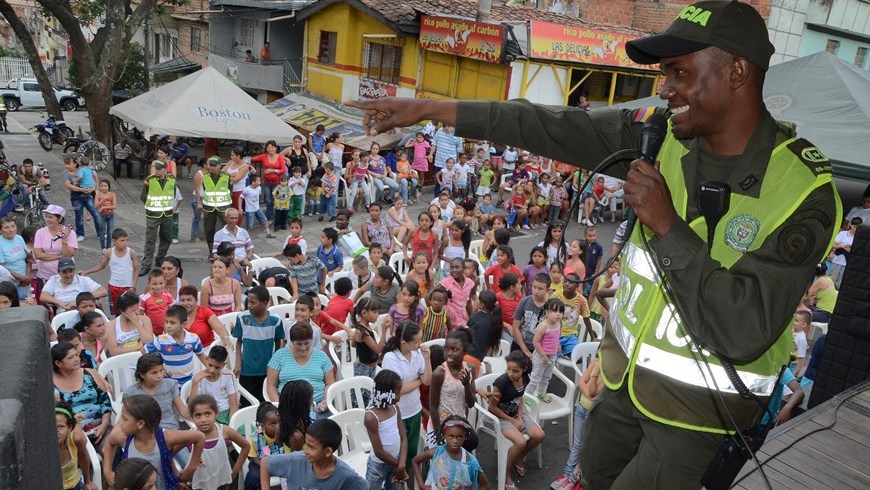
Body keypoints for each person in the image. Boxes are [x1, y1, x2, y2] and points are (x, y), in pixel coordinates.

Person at [346, 2, 842, 486]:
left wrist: (668, 225)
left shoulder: (803, 190)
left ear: (736, 71)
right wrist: (430, 107)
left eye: (679, 73)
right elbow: (547, 125)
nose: (664, 89)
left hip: (700, 415)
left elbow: (746, 328)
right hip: (619, 391)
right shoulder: (660, 135)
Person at [102, 395, 205, 489]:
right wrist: (107, 472)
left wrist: (190, 469)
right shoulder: (124, 438)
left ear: (140, 424)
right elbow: (110, 442)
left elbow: (199, 437)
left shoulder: (165, 437)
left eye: (124, 419)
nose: (120, 424)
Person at [381, 322, 431, 477]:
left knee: (411, 449)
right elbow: (399, 390)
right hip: (397, 412)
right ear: (404, 342)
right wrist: (418, 380)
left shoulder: (417, 354)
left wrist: (427, 359)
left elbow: (427, 380)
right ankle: (393, 477)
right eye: (416, 341)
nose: (420, 344)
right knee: (397, 450)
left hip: (414, 409)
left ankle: (406, 476)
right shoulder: (391, 358)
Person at [490, 351, 544, 490]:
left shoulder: (525, 378)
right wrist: (513, 421)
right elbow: (492, 408)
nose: (511, 373)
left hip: (516, 414)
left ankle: (518, 458)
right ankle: (504, 474)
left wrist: (520, 415)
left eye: (515, 371)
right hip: (500, 417)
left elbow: (519, 397)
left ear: (524, 369)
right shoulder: (501, 383)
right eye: (508, 369)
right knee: (520, 442)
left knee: (539, 435)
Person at [260, 419, 368, 489]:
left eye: (311, 447)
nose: (305, 450)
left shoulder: (346, 475)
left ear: (328, 452)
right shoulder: (296, 460)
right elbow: (265, 463)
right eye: (306, 444)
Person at [52, 342, 113, 450]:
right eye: (70, 358)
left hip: (100, 425)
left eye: (76, 355)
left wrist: (104, 425)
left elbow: (105, 401)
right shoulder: (51, 384)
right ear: (58, 363)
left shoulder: (89, 373)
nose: (76, 359)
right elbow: (59, 414)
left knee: (110, 448)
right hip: (74, 432)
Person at [266, 322, 335, 417]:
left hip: (317, 405)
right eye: (299, 344)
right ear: (291, 341)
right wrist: (279, 405)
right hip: (288, 406)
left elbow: (330, 384)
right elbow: (271, 385)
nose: (303, 348)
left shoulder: (322, 356)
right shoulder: (279, 356)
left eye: (307, 343)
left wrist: (326, 400)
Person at [232, 286, 284, 402]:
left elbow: (278, 341)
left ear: (264, 303)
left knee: (264, 402)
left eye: (253, 302)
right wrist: (238, 363)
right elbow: (239, 341)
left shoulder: (276, 320)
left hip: (267, 370)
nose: (249, 305)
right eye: (248, 302)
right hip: (247, 370)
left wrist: (276, 365)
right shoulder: (242, 318)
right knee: (247, 402)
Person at [188, 394, 249, 489]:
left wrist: (235, 471)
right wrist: (180, 474)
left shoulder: (224, 431)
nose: (203, 420)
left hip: (223, 480)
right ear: (192, 417)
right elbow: (169, 450)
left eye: (208, 414)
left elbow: (246, 446)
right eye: (198, 415)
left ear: (216, 414)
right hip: (201, 483)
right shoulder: (189, 436)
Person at [413, 416, 489, 490]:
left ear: (465, 437)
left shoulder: (470, 462)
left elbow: (485, 485)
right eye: (451, 436)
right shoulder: (437, 452)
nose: (455, 441)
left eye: (459, 437)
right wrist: (421, 485)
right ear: (444, 435)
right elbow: (415, 461)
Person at [364, 369, 409, 489]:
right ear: (385, 393)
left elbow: (403, 437)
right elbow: (379, 452)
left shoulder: (395, 408)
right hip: (378, 467)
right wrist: (399, 465)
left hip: (396, 463)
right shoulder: (371, 417)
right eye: (397, 393)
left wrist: (401, 465)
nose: (399, 397)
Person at [80, 228, 139, 315]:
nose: (125, 243)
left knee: (129, 311)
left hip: (127, 287)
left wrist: (133, 285)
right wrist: (86, 272)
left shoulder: (131, 252)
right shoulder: (109, 252)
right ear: (114, 241)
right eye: (122, 240)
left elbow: (136, 269)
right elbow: (102, 266)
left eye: (126, 240)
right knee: (117, 312)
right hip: (113, 287)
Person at [123, 352, 188, 430]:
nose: (159, 376)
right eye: (154, 373)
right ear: (142, 374)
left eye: (161, 370)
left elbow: (182, 409)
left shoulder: (170, 384)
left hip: (170, 429)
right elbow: (125, 418)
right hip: (145, 432)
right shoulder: (131, 392)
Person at [139, 161, 175, 275]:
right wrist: (150, 206)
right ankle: (146, 265)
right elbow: (143, 196)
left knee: (166, 239)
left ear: (165, 169)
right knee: (150, 240)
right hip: (153, 215)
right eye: (156, 169)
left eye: (159, 169)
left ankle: (160, 259)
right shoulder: (149, 180)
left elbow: (173, 195)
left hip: (167, 214)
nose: (157, 171)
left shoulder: (172, 180)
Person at [55, 401, 99, 490]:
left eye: (61, 427)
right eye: (53, 426)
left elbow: (83, 456)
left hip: (75, 485)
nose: (56, 431)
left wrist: (88, 481)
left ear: (69, 428)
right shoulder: (43, 448)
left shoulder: (75, 440)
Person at [189, 346, 238, 425]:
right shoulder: (198, 378)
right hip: (207, 414)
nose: (212, 370)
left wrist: (232, 424)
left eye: (217, 367)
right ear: (206, 359)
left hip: (226, 413)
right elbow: (191, 406)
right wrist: (195, 382)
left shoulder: (228, 376)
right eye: (210, 365)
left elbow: (233, 405)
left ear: (223, 365)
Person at [41, 258, 107, 314]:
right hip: (64, 312)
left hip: (84, 310)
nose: (68, 275)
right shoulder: (53, 280)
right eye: (64, 272)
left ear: (74, 270)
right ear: (59, 272)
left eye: (71, 271)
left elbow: (103, 291)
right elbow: (43, 296)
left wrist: (78, 301)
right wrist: (59, 303)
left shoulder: (83, 279)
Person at [245, 402, 285, 489]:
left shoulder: (285, 434)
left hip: (281, 463)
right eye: (273, 424)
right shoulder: (256, 437)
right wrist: (265, 467)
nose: (277, 426)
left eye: (279, 421)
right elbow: (253, 457)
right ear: (263, 425)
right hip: (260, 463)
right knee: (253, 477)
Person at [197, 156, 232, 251]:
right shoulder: (205, 177)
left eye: (214, 165)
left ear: (220, 166)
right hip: (209, 207)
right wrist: (200, 203)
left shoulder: (227, 177)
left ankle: (229, 249)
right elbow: (204, 191)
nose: (212, 167)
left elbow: (230, 190)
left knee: (229, 227)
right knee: (209, 230)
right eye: (210, 165)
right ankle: (212, 251)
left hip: (224, 207)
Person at [105, 292, 154, 356]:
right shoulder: (110, 325)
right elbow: (114, 351)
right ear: (122, 311)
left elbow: (150, 342)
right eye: (133, 311)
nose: (137, 312)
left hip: (144, 357)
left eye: (137, 308)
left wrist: (137, 324)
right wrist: (139, 346)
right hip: (122, 358)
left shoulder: (145, 320)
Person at [431, 125, 463, 196]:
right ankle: (437, 199)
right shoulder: (439, 131)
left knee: (449, 183)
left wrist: (456, 163)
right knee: (438, 183)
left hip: (451, 164)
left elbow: (459, 151)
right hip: (439, 162)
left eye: (448, 126)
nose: (445, 128)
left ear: (452, 126)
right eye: (444, 126)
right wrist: (430, 154)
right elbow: (434, 143)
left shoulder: (458, 134)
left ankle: (447, 199)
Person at [830, 216, 861, 288]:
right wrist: (842, 246)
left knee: (840, 283)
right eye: (854, 226)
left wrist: (845, 248)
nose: (855, 229)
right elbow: (833, 245)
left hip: (848, 263)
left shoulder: (859, 238)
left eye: (857, 227)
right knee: (831, 279)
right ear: (850, 225)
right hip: (837, 260)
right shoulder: (843, 233)